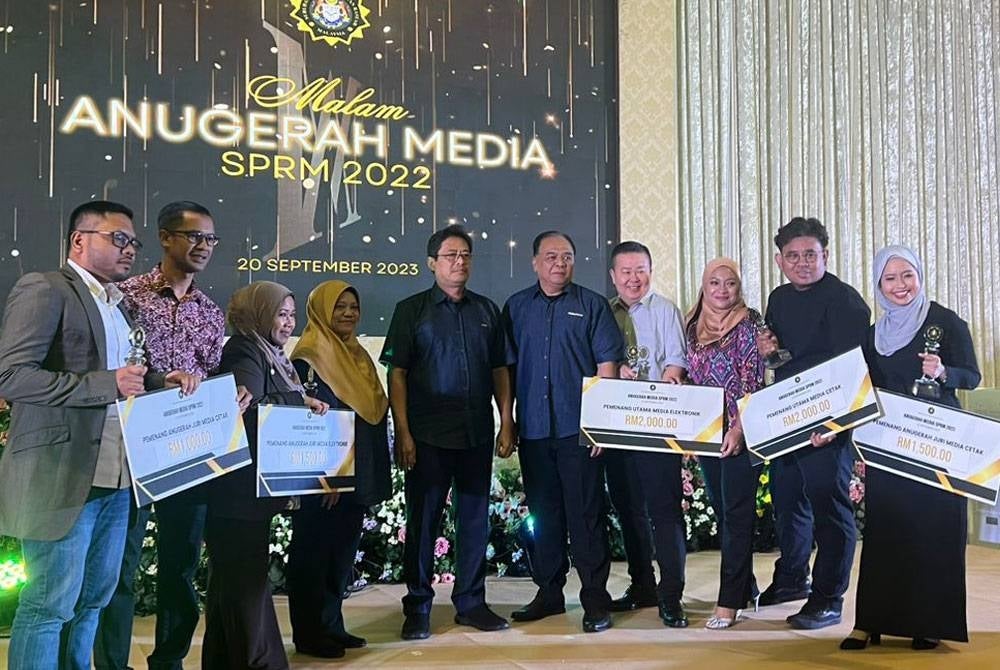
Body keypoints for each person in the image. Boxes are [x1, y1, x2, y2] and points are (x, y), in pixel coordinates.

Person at [0, 200, 197, 670]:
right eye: (118, 239)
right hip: (62, 474)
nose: (130, 250)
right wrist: (106, 384)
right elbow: (12, 376)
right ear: (79, 240)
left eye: (134, 242)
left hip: (119, 475)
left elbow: (122, 373)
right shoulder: (46, 288)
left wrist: (158, 380)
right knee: (50, 604)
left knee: (94, 599)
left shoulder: (119, 304)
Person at [95, 201, 231, 670]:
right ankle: (112, 662)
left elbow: (213, 374)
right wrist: (157, 378)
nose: (203, 247)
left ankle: (169, 660)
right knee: (120, 567)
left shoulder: (212, 313)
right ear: (165, 237)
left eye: (210, 239)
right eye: (194, 236)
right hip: (130, 451)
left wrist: (234, 395)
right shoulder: (125, 296)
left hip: (188, 451)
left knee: (180, 567)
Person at [380, 225, 515, 640]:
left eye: (466, 255)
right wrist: (402, 431)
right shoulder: (411, 309)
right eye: (451, 255)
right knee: (423, 523)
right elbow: (397, 373)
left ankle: (471, 602)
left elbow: (500, 370)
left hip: (475, 433)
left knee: (474, 522)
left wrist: (506, 420)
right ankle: (417, 607)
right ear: (432, 263)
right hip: (426, 437)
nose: (460, 262)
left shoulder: (487, 311)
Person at [841, 245, 980, 651]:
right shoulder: (874, 334)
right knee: (887, 533)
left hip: (938, 445)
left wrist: (944, 372)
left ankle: (927, 622)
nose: (900, 286)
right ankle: (870, 622)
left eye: (908, 276)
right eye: (890, 278)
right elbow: (862, 388)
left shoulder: (945, 322)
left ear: (919, 276)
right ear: (878, 284)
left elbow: (971, 376)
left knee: (933, 532)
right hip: (891, 447)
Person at [201, 281, 328, 670]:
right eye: (280, 314)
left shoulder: (272, 354)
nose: (288, 323)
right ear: (259, 313)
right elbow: (250, 399)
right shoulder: (244, 348)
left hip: (244, 495)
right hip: (237, 494)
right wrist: (301, 400)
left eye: (292, 314)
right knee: (247, 587)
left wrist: (298, 399)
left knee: (232, 586)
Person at [503, 231, 624, 633]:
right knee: (545, 517)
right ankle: (549, 593)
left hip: (580, 433)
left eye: (568, 257)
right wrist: (508, 421)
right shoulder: (517, 307)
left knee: (585, 515)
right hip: (535, 431)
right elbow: (506, 369)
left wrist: (599, 428)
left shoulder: (592, 306)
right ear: (535, 262)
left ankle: (595, 600)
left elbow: (607, 368)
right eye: (551, 256)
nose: (560, 263)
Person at [757, 217, 871, 629]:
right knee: (788, 501)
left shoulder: (846, 301)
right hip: (788, 417)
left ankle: (828, 597)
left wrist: (836, 424)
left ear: (826, 255)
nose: (802, 263)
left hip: (829, 423)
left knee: (830, 507)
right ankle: (791, 579)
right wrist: (770, 352)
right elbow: (785, 362)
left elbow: (853, 372)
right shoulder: (779, 298)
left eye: (811, 254)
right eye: (793, 256)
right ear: (779, 260)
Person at [287, 280, 393, 658]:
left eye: (353, 306)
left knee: (341, 554)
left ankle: (331, 625)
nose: (348, 313)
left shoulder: (358, 355)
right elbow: (305, 422)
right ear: (320, 311)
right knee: (312, 554)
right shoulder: (308, 358)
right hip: (323, 480)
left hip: (356, 473)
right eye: (339, 307)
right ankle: (309, 633)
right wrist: (324, 476)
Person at [604, 241, 690, 627]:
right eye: (626, 271)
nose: (633, 278)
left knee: (665, 513)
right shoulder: (603, 313)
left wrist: (672, 375)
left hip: (657, 425)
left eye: (640, 270)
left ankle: (671, 595)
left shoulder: (665, 310)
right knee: (629, 511)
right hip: (617, 427)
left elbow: (676, 358)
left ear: (650, 272)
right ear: (613, 276)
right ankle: (642, 586)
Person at [684, 258, 766, 629]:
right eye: (714, 283)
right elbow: (689, 376)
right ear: (704, 285)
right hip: (707, 434)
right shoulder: (692, 325)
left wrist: (738, 429)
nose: (722, 290)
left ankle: (728, 602)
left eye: (730, 283)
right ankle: (747, 585)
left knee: (737, 516)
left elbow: (753, 380)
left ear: (739, 288)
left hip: (741, 434)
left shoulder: (749, 324)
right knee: (723, 512)